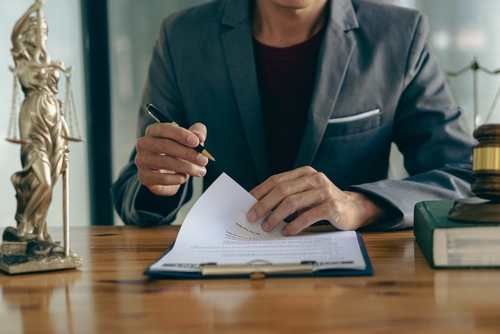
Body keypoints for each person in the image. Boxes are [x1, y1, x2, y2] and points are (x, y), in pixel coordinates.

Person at [112, 0, 475, 235]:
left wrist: (360, 205)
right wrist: (159, 181)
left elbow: (464, 174)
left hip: (359, 281)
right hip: (222, 277)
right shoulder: (182, 38)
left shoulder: (399, 35)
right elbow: (135, 190)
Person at [10, 0, 72, 241]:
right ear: (29, 35)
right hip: (33, 119)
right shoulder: (23, 57)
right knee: (43, 180)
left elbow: (57, 102)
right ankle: (24, 224)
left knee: (50, 182)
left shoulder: (48, 60)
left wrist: (65, 136)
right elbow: (15, 33)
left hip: (54, 122)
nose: (42, 35)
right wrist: (32, 9)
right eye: (37, 31)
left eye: (45, 31)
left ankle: (39, 231)